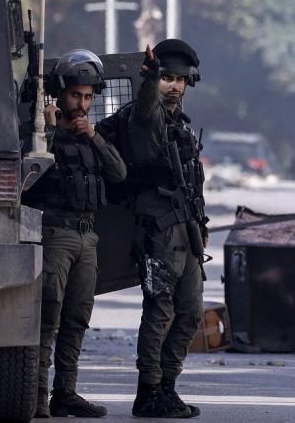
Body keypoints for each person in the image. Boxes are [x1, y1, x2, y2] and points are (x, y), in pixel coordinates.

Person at [96, 39, 208, 418]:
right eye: (167, 78)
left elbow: (194, 180)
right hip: (157, 231)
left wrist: (200, 223)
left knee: (190, 312)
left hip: (186, 228)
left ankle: (167, 388)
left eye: (180, 79)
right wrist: (149, 79)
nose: (174, 86)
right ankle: (147, 392)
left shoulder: (181, 126)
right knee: (159, 310)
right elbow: (146, 106)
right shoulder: (145, 117)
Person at [21, 49, 127, 418]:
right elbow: (26, 175)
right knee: (47, 315)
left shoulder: (92, 138)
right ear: (60, 94)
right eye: (75, 96)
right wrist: (48, 132)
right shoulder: (40, 135)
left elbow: (119, 174)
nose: (82, 104)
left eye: (87, 97)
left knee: (77, 316)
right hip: (54, 233)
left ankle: (65, 392)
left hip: (87, 237)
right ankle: (34, 395)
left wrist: (95, 138)